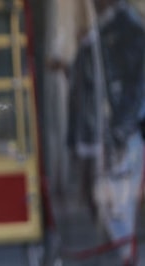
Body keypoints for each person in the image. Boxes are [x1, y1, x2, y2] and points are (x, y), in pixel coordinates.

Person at [67, 0, 145, 264]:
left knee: (120, 206)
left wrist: (122, 130)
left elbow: (134, 90)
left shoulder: (125, 31)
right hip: (114, 136)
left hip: (123, 137)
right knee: (113, 206)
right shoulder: (108, 31)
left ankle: (129, 256)